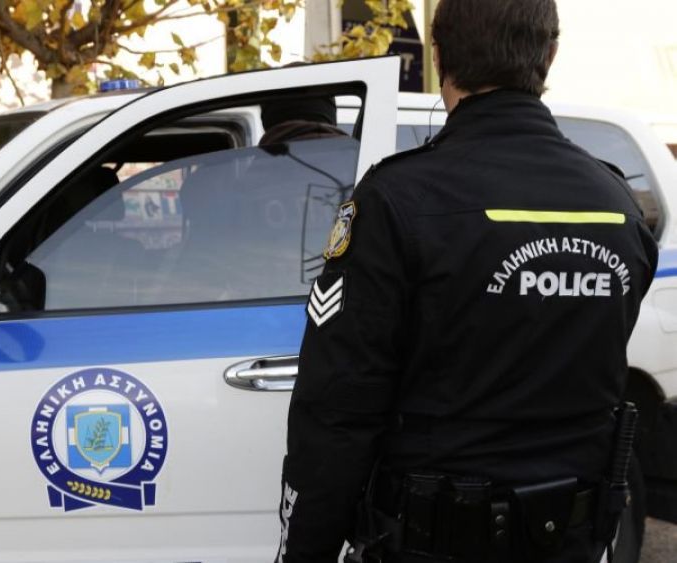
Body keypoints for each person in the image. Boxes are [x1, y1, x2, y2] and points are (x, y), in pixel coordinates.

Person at [276, 0, 659, 562]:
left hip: (433, 545)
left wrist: (304, 551)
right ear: (551, 54)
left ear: (438, 56)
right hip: (570, 541)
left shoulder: (397, 199)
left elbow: (337, 414)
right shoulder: (617, 203)